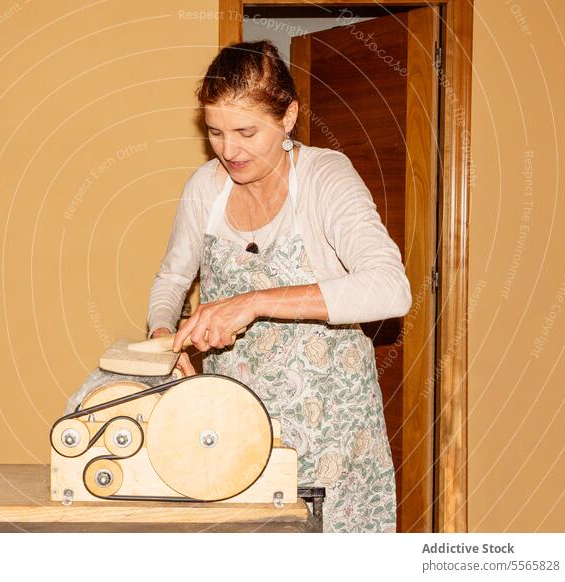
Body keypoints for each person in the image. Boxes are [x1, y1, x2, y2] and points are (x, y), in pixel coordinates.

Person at [147, 40, 412, 532]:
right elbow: (172, 278)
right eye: (216, 132)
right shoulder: (206, 187)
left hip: (332, 439)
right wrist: (165, 335)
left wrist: (253, 303)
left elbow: (390, 290)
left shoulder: (325, 178)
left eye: (247, 131)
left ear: (288, 117)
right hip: (235, 434)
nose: (229, 150)